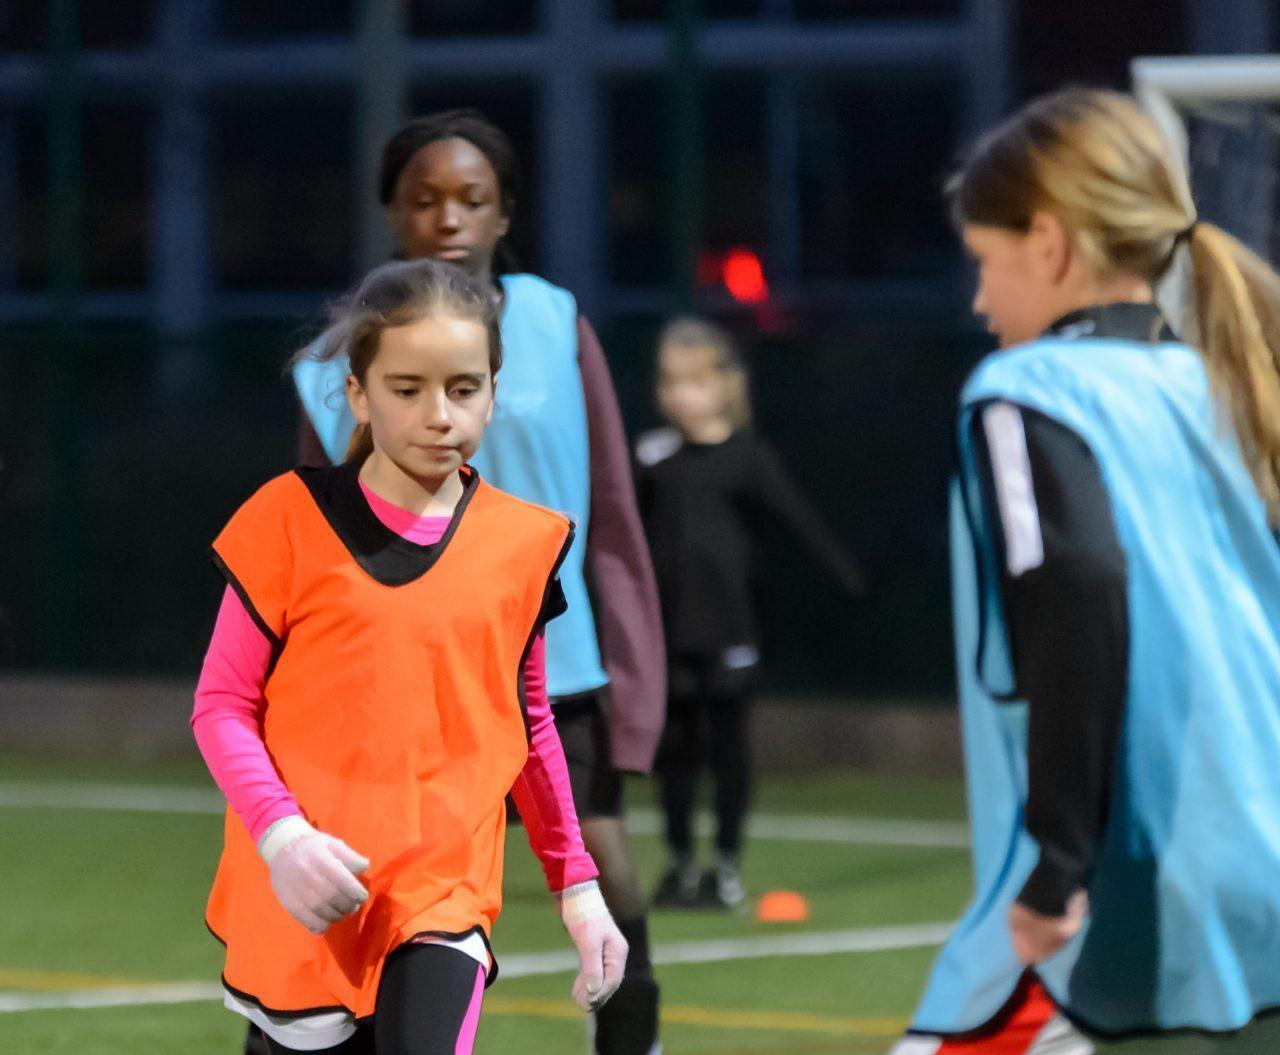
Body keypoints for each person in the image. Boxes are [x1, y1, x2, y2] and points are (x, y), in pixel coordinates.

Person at [895, 88, 1280, 1055]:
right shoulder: (1202, 382)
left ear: (1051, 245)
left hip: (1147, 879)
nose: (979, 299)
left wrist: (1057, 865)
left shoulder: (1020, 393)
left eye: (985, 261)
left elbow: (1082, 592)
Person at [291, 109, 665, 1055]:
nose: (448, 217)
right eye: (425, 200)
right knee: (397, 906)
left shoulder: (555, 323)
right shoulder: (338, 362)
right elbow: (313, 546)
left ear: (505, 217)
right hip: (401, 684)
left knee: (609, 880)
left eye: (472, 199)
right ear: (393, 216)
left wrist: (637, 679)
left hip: (556, 670)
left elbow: (612, 517)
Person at [193, 259, 627, 1054]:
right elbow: (221, 705)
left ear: (494, 391)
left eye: (464, 388)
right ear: (356, 393)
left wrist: (579, 885)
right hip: (306, 892)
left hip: (442, 890)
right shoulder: (285, 521)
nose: (439, 414)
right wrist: (282, 837)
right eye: (407, 388)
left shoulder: (523, 544)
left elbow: (528, 724)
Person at [636, 317, 864, 910]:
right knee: (676, 753)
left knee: (729, 748)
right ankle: (680, 863)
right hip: (668, 636)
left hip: (729, 632)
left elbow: (799, 527)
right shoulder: (652, 458)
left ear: (724, 386)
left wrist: (848, 583)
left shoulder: (747, 458)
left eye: (693, 381)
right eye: (670, 382)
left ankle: (727, 865)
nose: (679, 394)